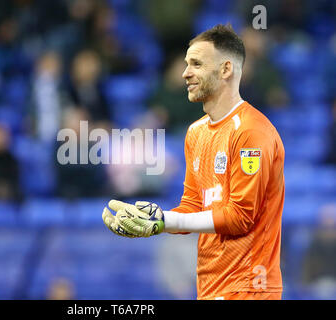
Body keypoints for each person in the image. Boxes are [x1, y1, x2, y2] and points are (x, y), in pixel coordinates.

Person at [102, 24, 285, 300]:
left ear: (225, 70)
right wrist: (152, 220)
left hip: (249, 288)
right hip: (210, 287)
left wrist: (166, 220)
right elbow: (192, 206)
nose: (185, 73)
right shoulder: (196, 133)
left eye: (196, 64)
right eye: (187, 64)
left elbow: (241, 217)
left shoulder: (252, 131)